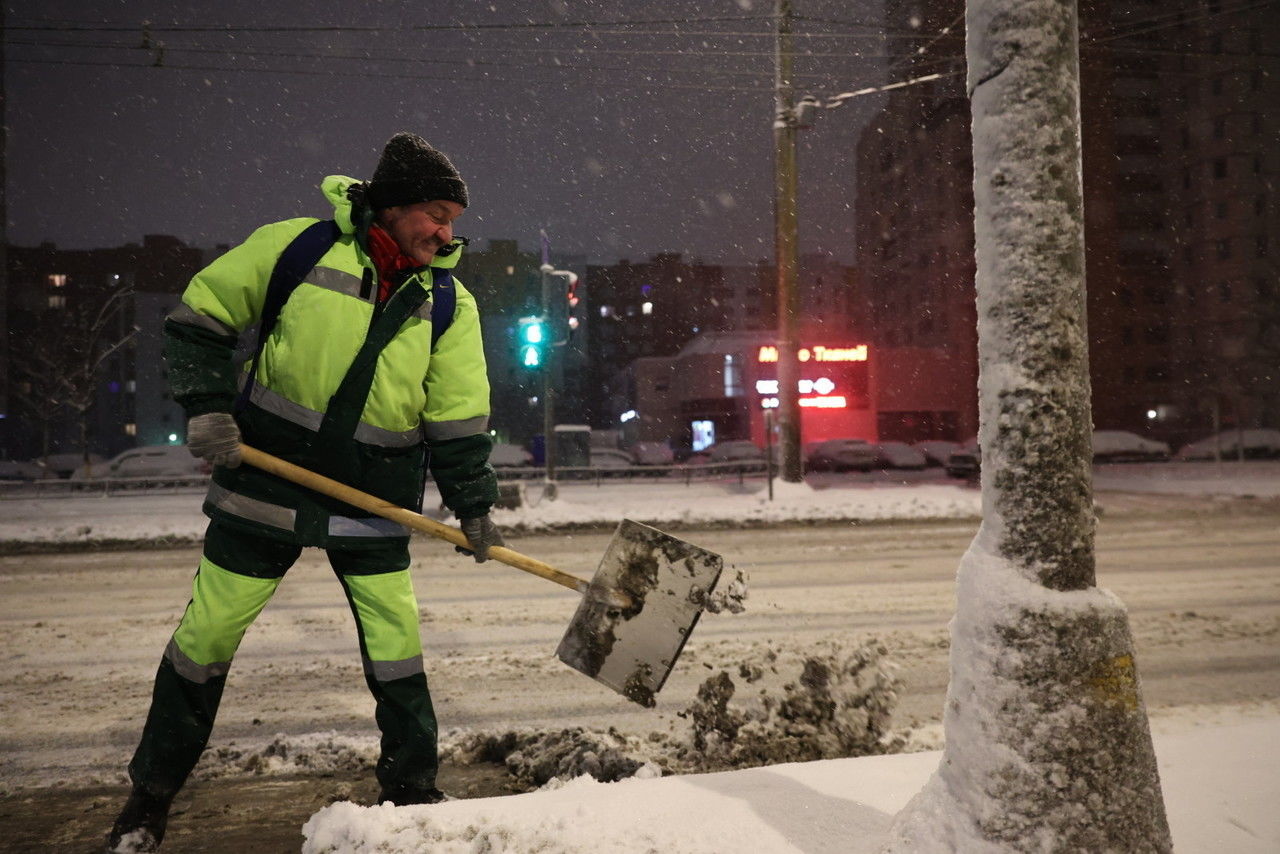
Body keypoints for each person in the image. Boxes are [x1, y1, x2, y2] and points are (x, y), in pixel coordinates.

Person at [107, 133, 505, 852]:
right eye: (435, 214)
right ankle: (149, 797)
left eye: (452, 218)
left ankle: (412, 791)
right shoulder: (297, 249)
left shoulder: (449, 301)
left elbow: (458, 416)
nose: (446, 233)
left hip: (372, 503)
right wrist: (205, 406)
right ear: (393, 204)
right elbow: (198, 321)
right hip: (264, 483)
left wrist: (473, 501)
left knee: (398, 651)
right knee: (205, 641)